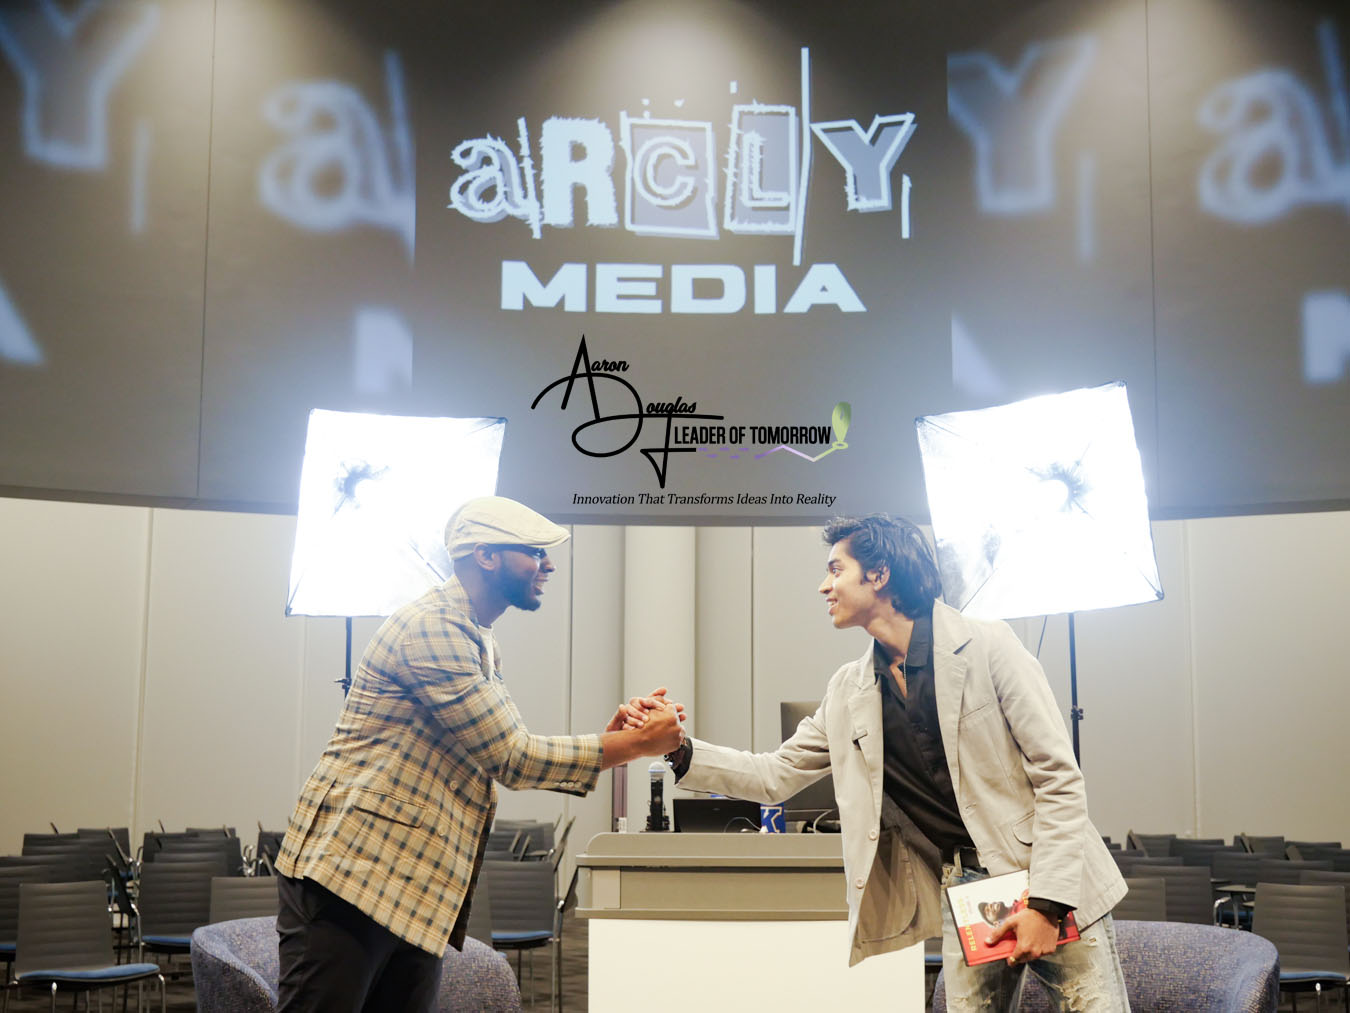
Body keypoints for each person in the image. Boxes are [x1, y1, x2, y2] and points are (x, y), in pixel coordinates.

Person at [641, 514, 1128, 1011]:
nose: (823, 585)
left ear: (879, 575)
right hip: (969, 889)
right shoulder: (848, 689)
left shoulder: (989, 646)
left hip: (1048, 878)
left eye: (836, 569)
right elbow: (775, 775)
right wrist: (679, 748)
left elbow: (1059, 779)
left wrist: (1046, 908)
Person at [274, 496, 684, 1012]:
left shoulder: (475, 637)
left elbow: (502, 745)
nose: (549, 565)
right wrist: (636, 744)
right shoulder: (434, 628)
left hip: (406, 887)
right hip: (351, 877)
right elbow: (512, 757)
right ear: (486, 556)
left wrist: (615, 743)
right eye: (534, 552)